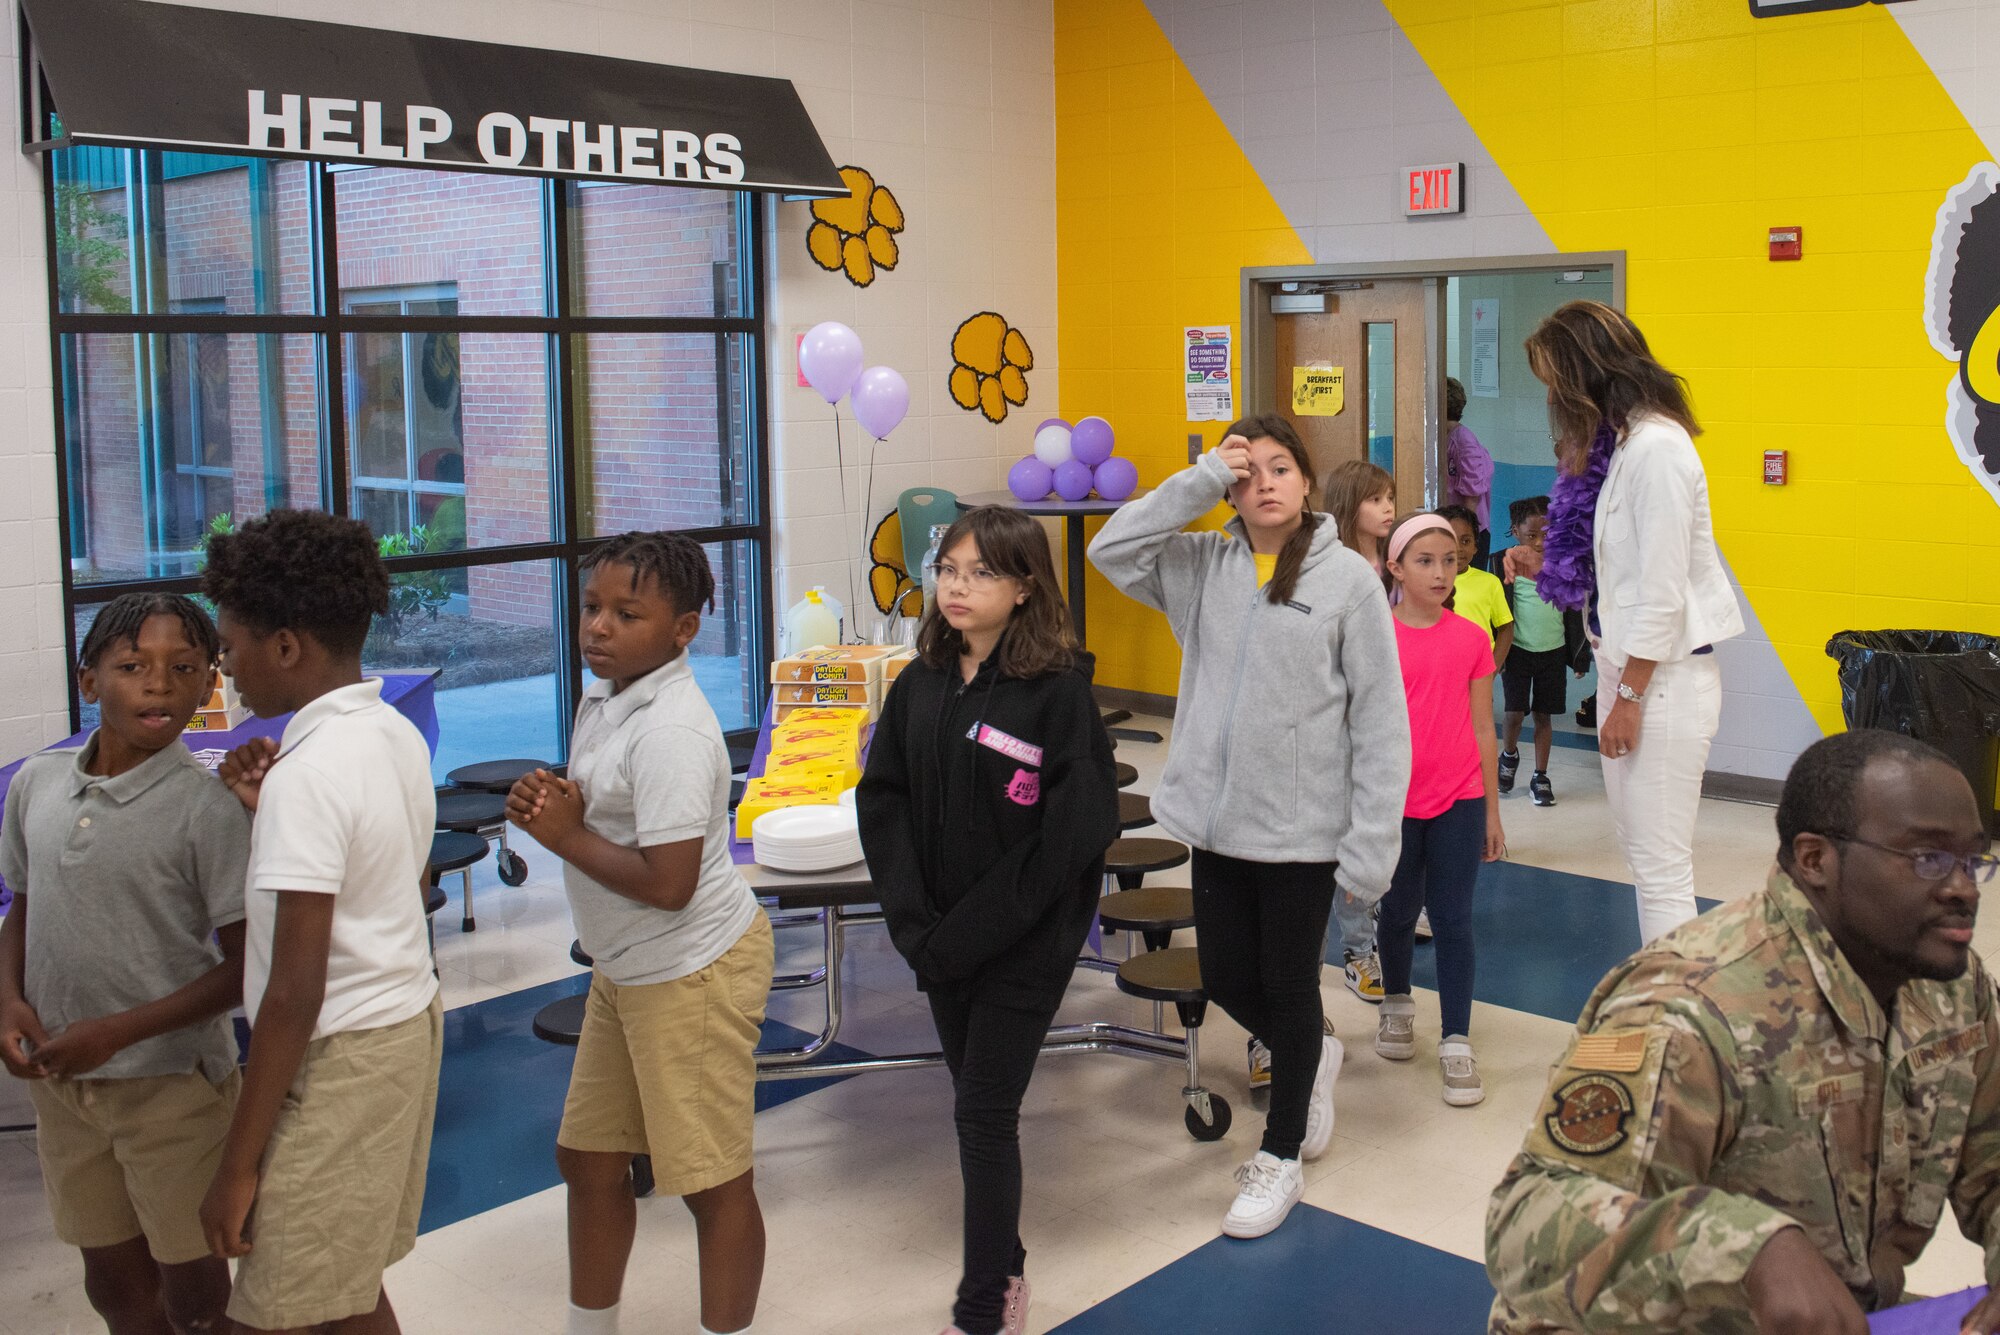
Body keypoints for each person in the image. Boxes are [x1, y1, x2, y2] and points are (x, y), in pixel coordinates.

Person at [1486, 730, 2000, 1334]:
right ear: (1816, 861)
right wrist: (1745, 1249)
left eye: (1973, 861)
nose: (1963, 888)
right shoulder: (1690, 1008)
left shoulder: (1949, 988)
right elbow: (1525, 1226)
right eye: (1928, 859)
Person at [1090, 414, 1410, 1239]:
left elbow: (1380, 720)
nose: (1261, 483)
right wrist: (1198, 479)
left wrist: (1370, 845)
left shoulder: (1348, 581)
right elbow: (1111, 549)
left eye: (1278, 467)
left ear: (1306, 481)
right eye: (1244, 473)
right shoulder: (1202, 564)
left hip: (1304, 831)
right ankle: (1313, 1057)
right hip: (1215, 820)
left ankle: (1280, 1156)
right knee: (1230, 977)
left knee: (1289, 984)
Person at [857, 506, 1118, 1335]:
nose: (957, 587)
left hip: (1020, 944)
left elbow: (1070, 836)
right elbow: (884, 800)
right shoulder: (920, 682)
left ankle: (984, 1307)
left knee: (981, 1110)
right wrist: (913, 927)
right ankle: (1006, 1264)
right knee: (975, 1098)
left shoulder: (1059, 693)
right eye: (948, 570)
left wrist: (966, 932)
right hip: (937, 944)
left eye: (980, 572)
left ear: (1025, 585)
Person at [507, 531, 772, 1335]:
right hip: (627, 967)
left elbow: (670, 882)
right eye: (593, 607)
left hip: (690, 967)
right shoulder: (610, 694)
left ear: (684, 629)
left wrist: (563, 836)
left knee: (709, 1181)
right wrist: (558, 801)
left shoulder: (673, 731)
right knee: (587, 1158)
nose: (598, 627)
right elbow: (605, 812)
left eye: (627, 613)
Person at [197, 510, 443, 1335]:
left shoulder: (308, 775)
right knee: (342, 1288)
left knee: (271, 1308)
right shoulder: (390, 733)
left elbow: (295, 990)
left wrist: (238, 1164)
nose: (224, 670)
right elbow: (387, 879)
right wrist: (276, 815)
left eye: (230, 649)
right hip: (402, 1028)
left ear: (287, 647)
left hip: (339, 1056)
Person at [0, 594, 247, 1335]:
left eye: (183, 669)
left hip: (173, 1090)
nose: (158, 685)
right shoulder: (36, 785)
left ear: (207, 687)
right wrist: (8, 1000)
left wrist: (119, 1031)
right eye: (132, 666)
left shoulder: (206, 808)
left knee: (196, 1292)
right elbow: (23, 904)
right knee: (112, 1281)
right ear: (88, 681)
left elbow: (244, 967)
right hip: (65, 1089)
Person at [1525, 300, 1743, 943]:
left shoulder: (1656, 448)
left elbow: (1662, 589)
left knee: (1661, 869)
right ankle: (1666, 1010)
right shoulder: (1620, 446)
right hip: (1632, 673)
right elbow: (1621, 569)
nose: (1550, 398)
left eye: (1552, 382)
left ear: (1585, 372)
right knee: (1644, 858)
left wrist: (1626, 697)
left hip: (1661, 683)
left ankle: (1674, 1024)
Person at [1372, 515, 1505, 1107]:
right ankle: (1397, 1003)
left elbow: (1483, 727)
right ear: (1395, 568)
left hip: (1460, 799)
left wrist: (1493, 814)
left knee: (1453, 920)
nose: (1441, 572)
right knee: (1398, 911)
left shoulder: (1472, 639)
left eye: (1449, 561)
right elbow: (1362, 729)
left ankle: (1455, 1039)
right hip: (1394, 804)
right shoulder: (1374, 636)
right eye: (1424, 561)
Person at [1319, 456, 1406, 982]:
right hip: (1339, 727)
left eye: (1390, 497)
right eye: (1376, 499)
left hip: (1389, 718)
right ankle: (1354, 948)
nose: (1388, 507)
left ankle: (1363, 940)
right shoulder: (1335, 572)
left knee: (1379, 830)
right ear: (1349, 508)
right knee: (1338, 839)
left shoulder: (1399, 567)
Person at [1496, 495, 1590, 808]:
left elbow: (1574, 612)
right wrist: (1497, 654)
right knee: (1513, 713)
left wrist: (1578, 656)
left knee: (1543, 716)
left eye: (1547, 534)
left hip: (1552, 651)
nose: (1540, 542)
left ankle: (1540, 775)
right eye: (1531, 535)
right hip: (1518, 653)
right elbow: (1496, 614)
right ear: (1515, 532)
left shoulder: (1561, 566)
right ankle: (1509, 754)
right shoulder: (1503, 565)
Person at [1439, 503, 1513, 671]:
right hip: (1438, 675)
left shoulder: (1490, 583)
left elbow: (1506, 628)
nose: (1458, 549)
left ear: (1475, 546)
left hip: (1478, 675)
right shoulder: (1425, 584)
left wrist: (1491, 670)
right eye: (1449, 539)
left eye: (1465, 541)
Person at [1442, 377, 1495, 570]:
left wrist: (1465, 537)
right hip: (1455, 528)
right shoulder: (1445, 437)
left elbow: (1471, 496)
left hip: (1468, 531)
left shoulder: (1464, 441)